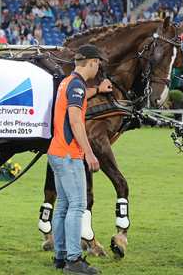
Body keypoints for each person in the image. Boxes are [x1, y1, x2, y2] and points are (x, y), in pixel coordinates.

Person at [47, 44, 112, 275]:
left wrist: (98, 90)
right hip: (68, 154)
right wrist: (90, 153)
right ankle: (74, 261)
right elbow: (75, 123)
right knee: (77, 205)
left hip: (56, 152)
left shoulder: (69, 82)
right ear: (92, 62)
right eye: (98, 65)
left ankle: (60, 257)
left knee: (63, 205)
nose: (99, 69)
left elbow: (78, 98)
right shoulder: (77, 86)